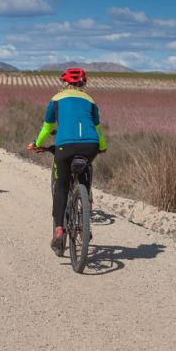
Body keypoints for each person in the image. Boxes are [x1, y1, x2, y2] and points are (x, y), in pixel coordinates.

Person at [27, 68, 107, 254]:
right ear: (83, 84)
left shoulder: (56, 99)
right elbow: (98, 129)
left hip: (65, 146)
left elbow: (47, 127)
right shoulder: (91, 101)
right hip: (91, 145)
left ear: (64, 83)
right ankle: (85, 208)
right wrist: (102, 147)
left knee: (61, 187)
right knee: (86, 171)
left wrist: (37, 143)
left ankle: (59, 232)